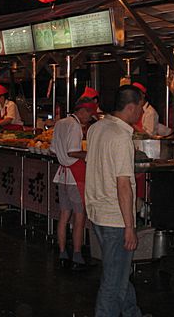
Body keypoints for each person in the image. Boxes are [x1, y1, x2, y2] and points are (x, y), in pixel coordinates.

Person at [85, 85, 146, 317]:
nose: (141, 112)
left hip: (97, 212)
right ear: (130, 107)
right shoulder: (121, 137)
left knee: (117, 272)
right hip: (115, 218)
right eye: (140, 107)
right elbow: (123, 185)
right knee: (113, 283)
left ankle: (132, 313)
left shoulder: (97, 128)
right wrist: (130, 227)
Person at [50, 97, 97, 271]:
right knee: (79, 216)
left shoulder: (60, 123)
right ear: (82, 110)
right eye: (89, 114)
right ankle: (77, 255)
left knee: (63, 216)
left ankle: (62, 252)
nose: (89, 118)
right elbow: (73, 151)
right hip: (74, 176)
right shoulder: (75, 126)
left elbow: (53, 150)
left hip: (61, 174)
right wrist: (89, 154)